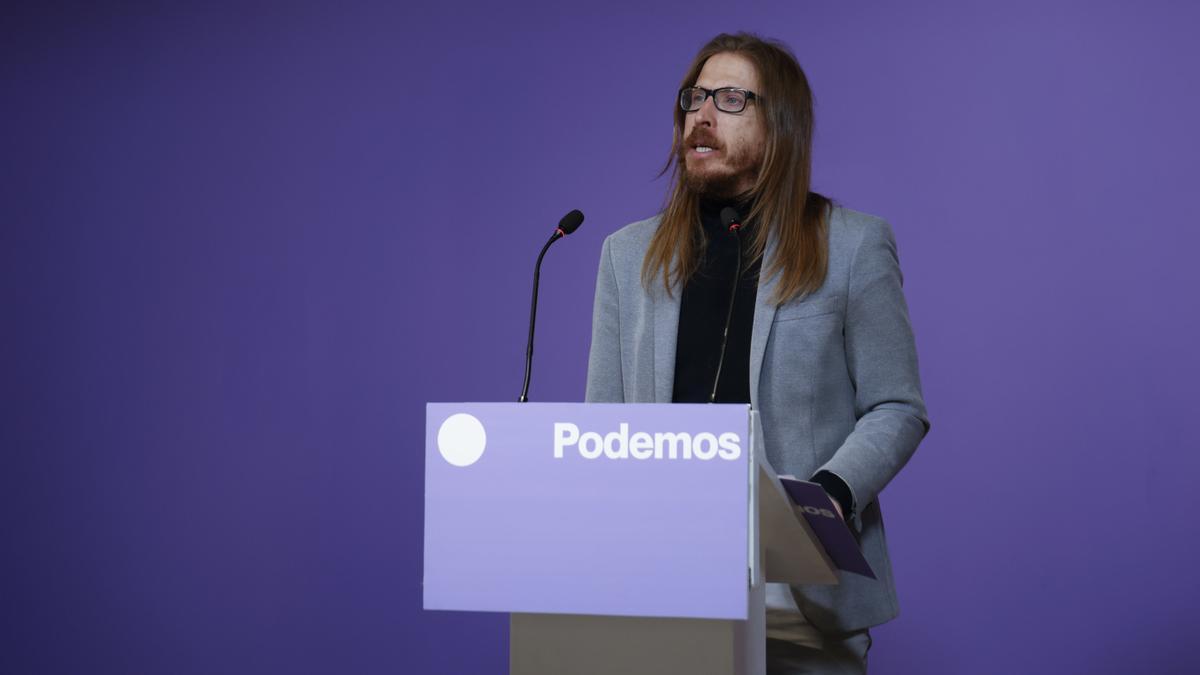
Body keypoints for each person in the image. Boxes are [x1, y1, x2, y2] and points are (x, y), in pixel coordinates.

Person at [584, 33, 930, 674]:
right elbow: (603, 426)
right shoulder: (624, 255)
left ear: (782, 127)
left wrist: (826, 498)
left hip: (802, 602)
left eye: (731, 98)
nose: (702, 115)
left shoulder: (853, 246)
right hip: (663, 590)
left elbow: (896, 407)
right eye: (694, 98)